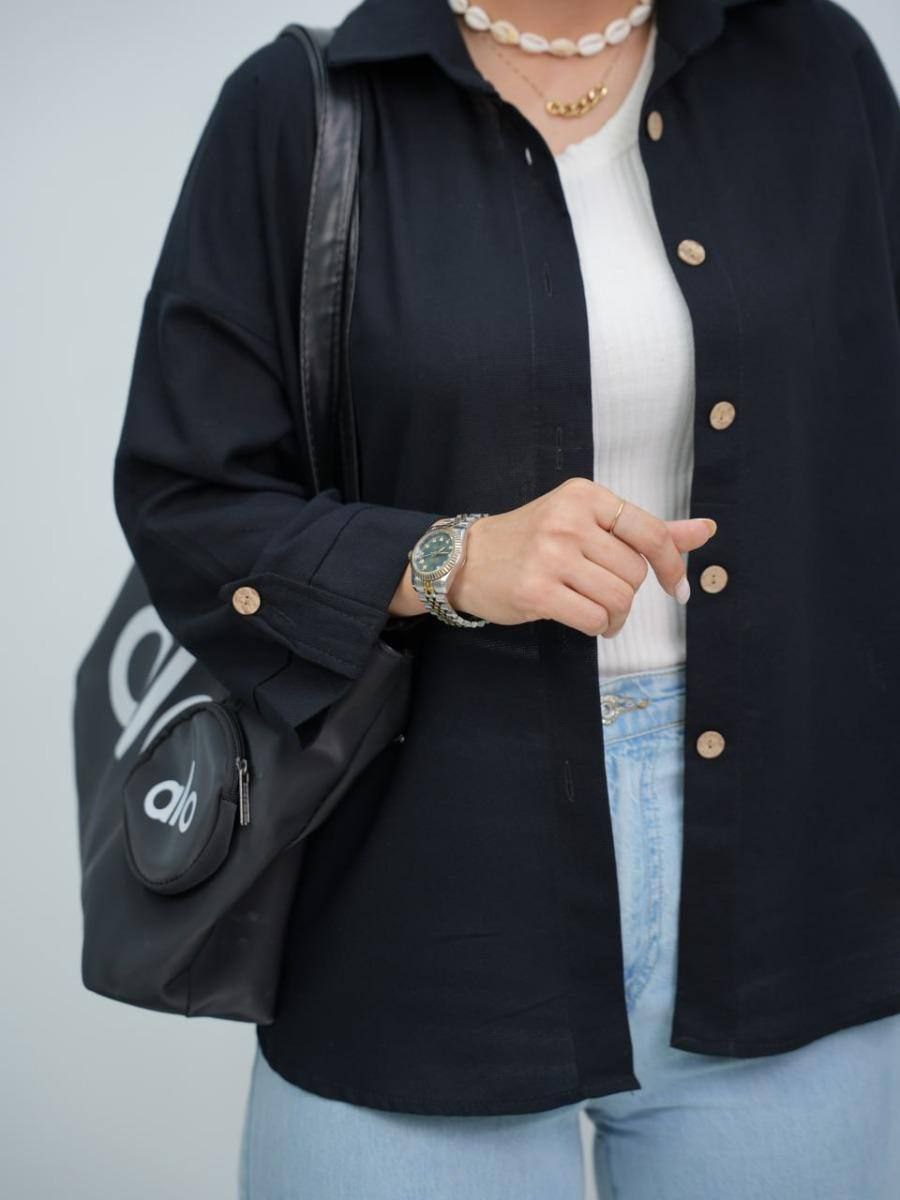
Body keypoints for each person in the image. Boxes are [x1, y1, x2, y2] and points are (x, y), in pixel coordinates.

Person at [112, 0, 900, 1195]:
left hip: (797, 890)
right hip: (421, 902)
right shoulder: (306, 108)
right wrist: (446, 559)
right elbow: (186, 499)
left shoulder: (811, 66)